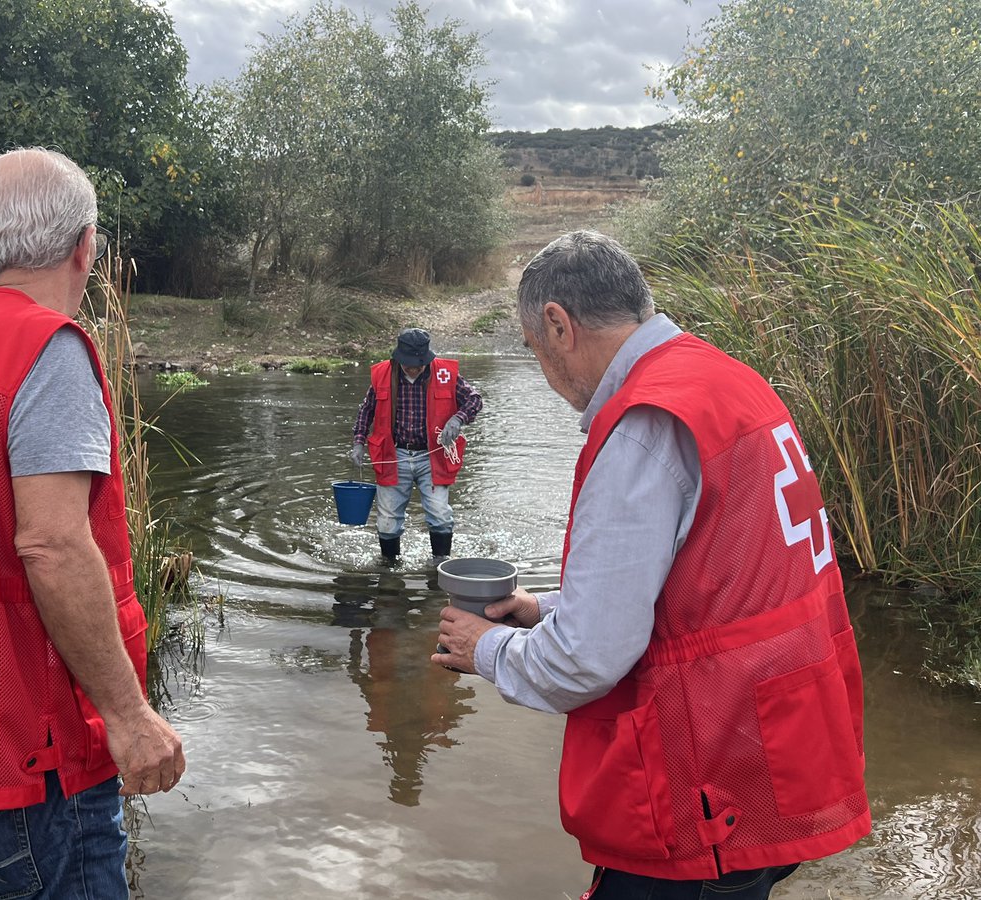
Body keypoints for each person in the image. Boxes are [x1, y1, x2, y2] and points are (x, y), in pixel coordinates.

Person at [433, 231, 870, 898]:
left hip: (707, 787)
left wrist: (486, 646)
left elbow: (586, 658)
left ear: (559, 325)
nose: (547, 377)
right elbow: (719, 582)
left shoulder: (642, 424)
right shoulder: (728, 380)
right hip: (782, 759)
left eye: (535, 351)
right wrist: (544, 609)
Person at [0, 147, 185, 899]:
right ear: (85, 248)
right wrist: (129, 716)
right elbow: (51, 543)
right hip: (33, 741)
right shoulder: (45, 347)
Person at [350, 327, 482, 561]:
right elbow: (366, 410)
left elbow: (475, 399)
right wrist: (358, 442)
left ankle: (440, 567)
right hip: (393, 455)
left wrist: (458, 418)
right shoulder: (382, 374)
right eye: (409, 364)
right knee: (388, 520)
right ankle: (389, 569)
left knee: (440, 515)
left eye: (418, 364)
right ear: (399, 358)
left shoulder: (446, 373)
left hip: (433, 456)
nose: (414, 368)